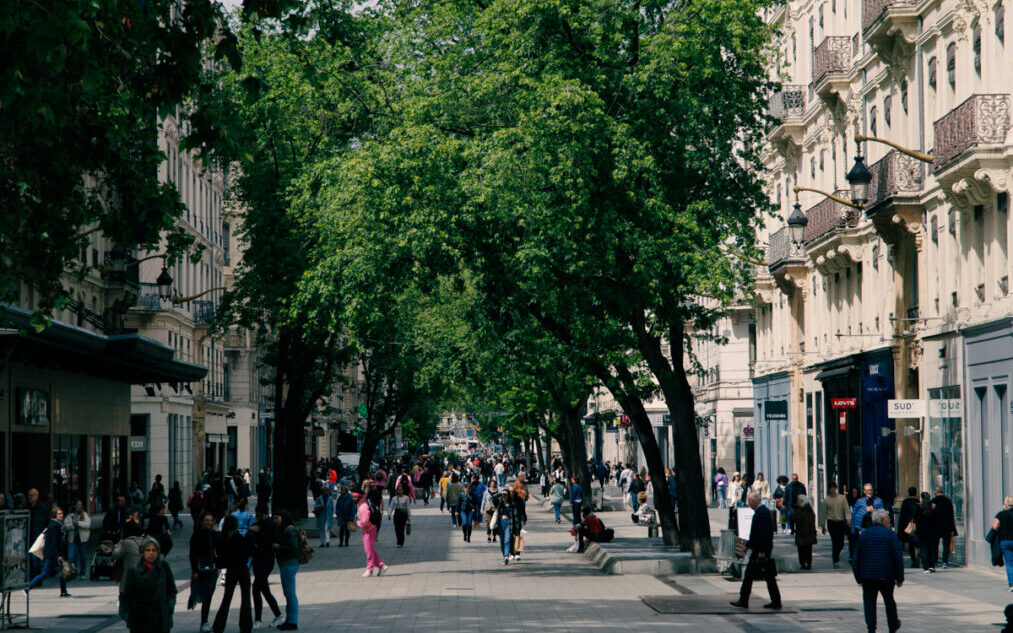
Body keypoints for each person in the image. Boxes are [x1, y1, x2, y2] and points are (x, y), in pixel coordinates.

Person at [852, 508, 903, 633]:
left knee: (869, 603)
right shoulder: (890, 534)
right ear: (882, 520)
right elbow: (897, 556)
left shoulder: (865, 534)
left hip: (868, 575)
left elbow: (855, 557)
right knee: (889, 601)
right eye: (888, 518)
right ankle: (892, 625)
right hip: (886, 575)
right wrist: (899, 577)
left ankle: (871, 628)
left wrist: (858, 577)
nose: (889, 520)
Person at [730, 492, 781, 610]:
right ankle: (774, 600)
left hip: (761, 550)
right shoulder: (761, 512)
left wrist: (761, 550)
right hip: (759, 548)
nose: (748, 504)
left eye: (749, 502)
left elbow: (764, 534)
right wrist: (747, 546)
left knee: (759, 576)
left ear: (754, 502)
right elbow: (756, 534)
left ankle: (745, 600)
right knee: (764, 576)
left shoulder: (762, 513)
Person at [121, 537, 177, 633]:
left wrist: (169, 607)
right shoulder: (134, 570)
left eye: (154, 550)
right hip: (141, 618)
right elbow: (126, 595)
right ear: (142, 552)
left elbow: (172, 590)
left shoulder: (164, 567)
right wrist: (130, 613)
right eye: (148, 550)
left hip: (161, 617)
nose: (151, 553)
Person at [212, 515, 255, 633]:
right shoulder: (239, 538)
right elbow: (247, 552)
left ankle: (219, 626)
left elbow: (218, 554)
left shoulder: (220, 538)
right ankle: (245, 626)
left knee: (227, 598)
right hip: (241, 568)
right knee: (246, 598)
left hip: (229, 569)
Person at [252, 506, 284, 629]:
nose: (258, 517)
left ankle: (258, 619)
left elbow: (270, 540)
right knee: (264, 589)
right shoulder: (257, 524)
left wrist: (258, 533)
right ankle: (278, 615)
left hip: (266, 560)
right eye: (257, 515)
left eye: (260, 515)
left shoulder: (270, 526)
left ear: (266, 515)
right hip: (257, 559)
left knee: (256, 588)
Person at [27, 506, 70, 597]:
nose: (61, 515)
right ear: (55, 515)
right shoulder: (54, 525)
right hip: (52, 554)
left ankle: (63, 591)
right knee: (45, 573)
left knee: (61, 571)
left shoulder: (58, 524)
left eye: (62, 513)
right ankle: (28, 586)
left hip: (55, 553)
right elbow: (53, 542)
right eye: (59, 514)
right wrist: (58, 555)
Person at [188, 512, 219, 633]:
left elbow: (220, 546)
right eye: (207, 520)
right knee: (203, 593)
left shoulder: (213, 534)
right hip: (200, 568)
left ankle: (204, 621)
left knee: (209, 594)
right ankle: (204, 621)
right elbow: (192, 554)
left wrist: (217, 533)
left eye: (211, 521)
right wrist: (194, 570)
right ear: (201, 521)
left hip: (212, 568)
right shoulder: (196, 536)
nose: (209, 523)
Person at [272, 509, 300, 630]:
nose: (275, 521)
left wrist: (279, 547)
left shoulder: (290, 530)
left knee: (290, 593)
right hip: (286, 564)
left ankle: (292, 620)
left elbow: (294, 547)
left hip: (289, 564)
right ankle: (290, 619)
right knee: (288, 593)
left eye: (277, 518)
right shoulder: (283, 530)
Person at [357, 483, 388, 578]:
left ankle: (370, 569)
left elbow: (365, 520)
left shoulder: (363, 505)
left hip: (368, 529)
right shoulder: (365, 502)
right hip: (372, 527)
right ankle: (381, 566)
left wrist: (359, 523)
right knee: (370, 549)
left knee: (369, 550)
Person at [820, 482, 849, 569]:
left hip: (840, 522)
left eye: (834, 488)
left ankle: (836, 555)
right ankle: (835, 560)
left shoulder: (842, 498)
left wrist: (848, 519)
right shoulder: (826, 500)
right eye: (831, 488)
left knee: (841, 543)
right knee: (835, 542)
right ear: (829, 489)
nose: (832, 490)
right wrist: (823, 526)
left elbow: (846, 509)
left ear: (836, 488)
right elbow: (824, 513)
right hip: (831, 522)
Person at [63, 498, 91, 580]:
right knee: (71, 556)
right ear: (75, 506)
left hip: (82, 539)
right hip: (72, 539)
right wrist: (73, 525)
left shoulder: (84, 515)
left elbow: (88, 524)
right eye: (78, 505)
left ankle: (83, 573)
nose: (80, 506)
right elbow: (65, 526)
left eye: (81, 505)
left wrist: (78, 523)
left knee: (83, 556)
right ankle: (73, 572)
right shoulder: (70, 516)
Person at [932, 487, 957, 568]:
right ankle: (945, 562)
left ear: (935, 492)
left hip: (936, 526)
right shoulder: (948, 501)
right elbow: (951, 515)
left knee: (935, 544)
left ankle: (935, 561)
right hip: (947, 526)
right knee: (946, 544)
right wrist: (953, 528)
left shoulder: (933, 502)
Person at [896, 487, 921, 569]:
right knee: (917, 543)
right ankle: (918, 558)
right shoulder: (918, 502)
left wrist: (901, 528)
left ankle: (914, 560)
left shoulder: (905, 502)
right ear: (916, 493)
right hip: (917, 525)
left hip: (908, 526)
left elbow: (902, 516)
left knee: (911, 544)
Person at [993, 495, 1013, 590]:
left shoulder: (1001, 514)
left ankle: (1012, 584)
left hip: (1005, 541)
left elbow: (995, 526)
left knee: (1009, 563)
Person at [794, 495, 817, 570]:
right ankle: (808, 563)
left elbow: (796, 519)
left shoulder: (800, 509)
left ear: (802, 501)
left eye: (798, 500)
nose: (797, 501)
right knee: (808, 549)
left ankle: (803, 563)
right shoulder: (809, 509)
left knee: (802, 549)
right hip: (809, 532)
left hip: (802, 532)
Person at [388, 483, 412, 547]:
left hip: (403, 515)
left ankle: (400, 542)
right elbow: (391, 507)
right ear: (397, 491)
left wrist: (409, 517)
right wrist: (389, 514)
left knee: (401, 529)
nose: (400, 491)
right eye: (399, 490)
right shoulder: (394, 498)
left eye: (401, 490)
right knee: (396, 529)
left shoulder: (406, 498)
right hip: (397, 514)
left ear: (403, 490)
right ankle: (398, 540)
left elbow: (408, 507)